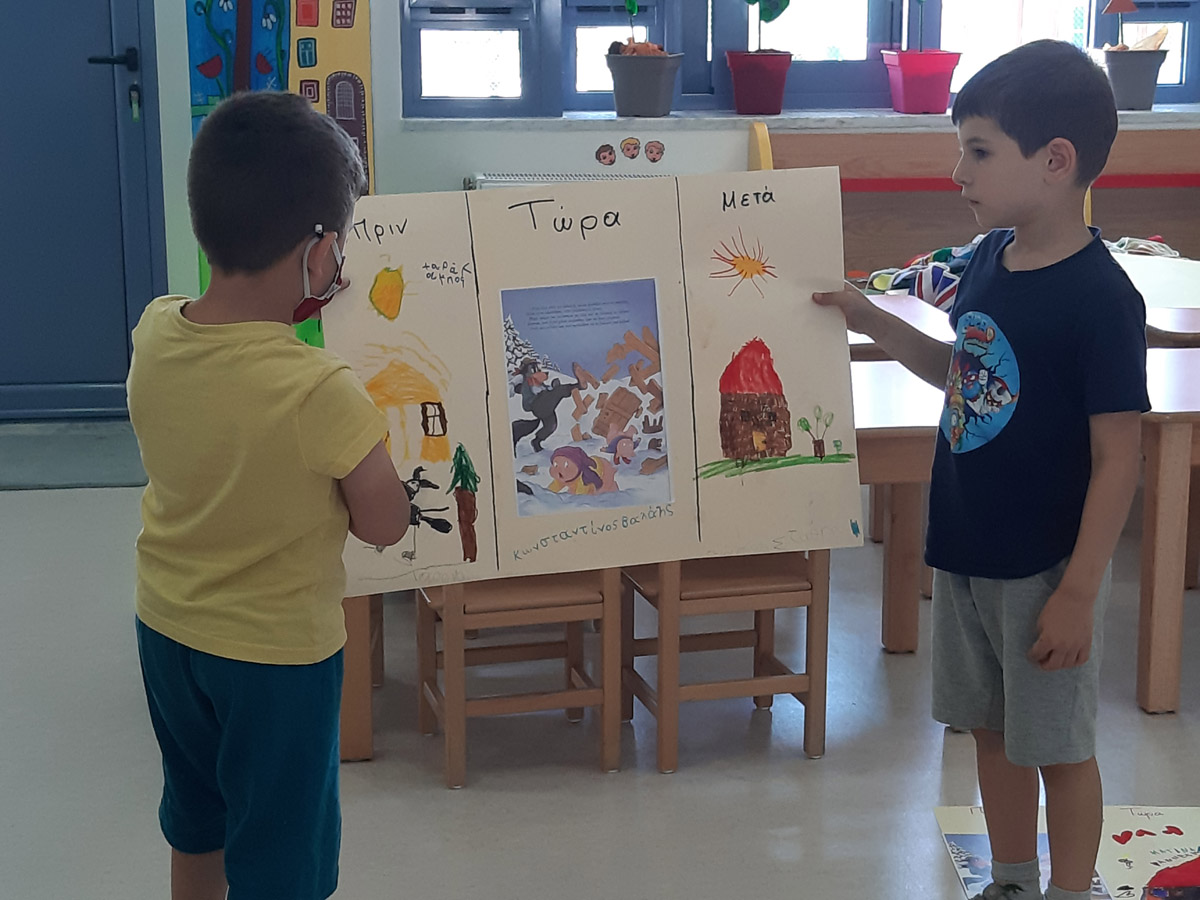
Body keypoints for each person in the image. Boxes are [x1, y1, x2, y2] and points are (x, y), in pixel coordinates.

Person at [814, 41, 1148, 900]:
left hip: (1045, 568)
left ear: (1056, 161)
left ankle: (1069, 891)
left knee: (1058, 749)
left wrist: (1079, 591)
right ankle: (1011, 881)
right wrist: (867, 317)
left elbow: (1120, 456)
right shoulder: (989, 260)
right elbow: (963, 373)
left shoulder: (1103, 298)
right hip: (965, 550)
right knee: (991, 734)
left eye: (979, 150)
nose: (957, 170)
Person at [127, 90, 410, 900]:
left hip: (167, 627)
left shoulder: (155, 331)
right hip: (275, 658)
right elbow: (385, 523)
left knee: (198, 818)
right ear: (320, 256)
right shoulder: (319, 390)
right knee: (282, 857)